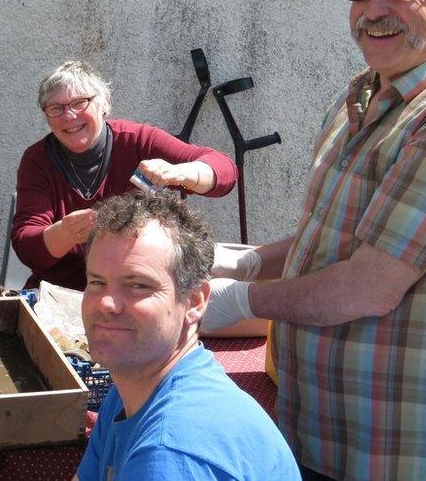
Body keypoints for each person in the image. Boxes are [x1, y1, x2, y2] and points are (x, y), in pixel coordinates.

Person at [203, 0, 426, 477]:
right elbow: (325, 240)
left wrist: (241, 300)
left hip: (395, 453)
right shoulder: (362, 93)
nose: (375, 8)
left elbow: (367, 286)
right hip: (316, 432)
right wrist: (240, 260)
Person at [76, 190, 298, 480]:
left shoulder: (169, 453)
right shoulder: (129, 389)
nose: (107, 302)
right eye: (97, 281)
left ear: (194, 302)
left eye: (138, 286)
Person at [12, 61, 237, 290]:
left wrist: (180, 172)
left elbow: (225, 171)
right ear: (47, 116)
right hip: (58, 293)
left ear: (103, 104)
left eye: (80, 103)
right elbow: (27, 248)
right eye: (56, 108)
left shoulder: (137, 140)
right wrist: (64, 233)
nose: (69, 116)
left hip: (137, 290)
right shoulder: (37, 160)